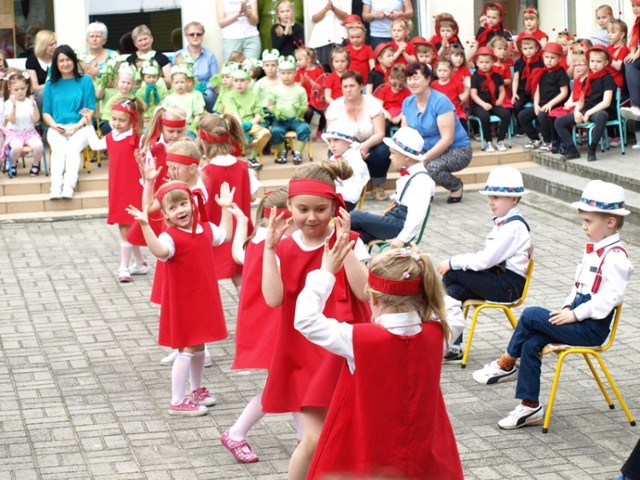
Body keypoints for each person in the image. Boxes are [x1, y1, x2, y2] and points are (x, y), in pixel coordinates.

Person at [472, 180, 633, 430]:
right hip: (578, 318)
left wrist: (575, 315)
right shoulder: (593, 250)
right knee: (533, 341)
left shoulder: (615, 257)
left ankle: (506, 363)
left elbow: (609, 299)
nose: (583, 227)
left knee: (531, 314)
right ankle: (530, 406)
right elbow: (577, 287)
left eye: (588, 221)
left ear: (610, 222)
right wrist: (568, 308)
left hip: (592, 327)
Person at [296, 242, 464, 480]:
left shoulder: (357, 339)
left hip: (368, 454)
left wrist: (325, 272)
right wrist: (423, 276)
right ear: (424, 293)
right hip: (424, 451)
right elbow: (454, 310)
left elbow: (306, 320)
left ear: (373, 300)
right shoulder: (439, 334)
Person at [261, 161, 371, 480]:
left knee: (352, 435)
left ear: (336, 208)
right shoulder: (283, 246)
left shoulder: (350, 240)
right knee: (312, 439)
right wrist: (269, 249)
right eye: (303, 209)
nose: (311, 217)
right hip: (303, 355)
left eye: (321, 209)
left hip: (346, 349)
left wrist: (343, 244)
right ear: (289, 207)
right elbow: (273, 298)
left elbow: (364, 293)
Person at [126, 180, 237, 416]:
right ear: (165, 214)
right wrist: (146, 226)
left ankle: (196, 390)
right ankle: (177, 400)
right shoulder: (170, 237)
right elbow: (160, 252)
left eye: (183, 204)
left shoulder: (205, 228)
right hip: (184, 301)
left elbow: (225, 236)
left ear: (193, 204)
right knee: (186, 348)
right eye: (173, 208)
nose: (181, 211)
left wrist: (226, 208)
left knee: (200, 345)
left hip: (204, 298)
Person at [221, 188, 302, 464]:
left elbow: (237, 255)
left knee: (293, 383)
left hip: (263, 324)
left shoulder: (254, 241)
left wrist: (242, 221)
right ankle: (236, 431)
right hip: (276, 325)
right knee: (283, 383)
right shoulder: (278, 246)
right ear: (285, 222)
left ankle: (304, 442)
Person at [436, 166, 531, 359]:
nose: (490, 202)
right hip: (499, 278)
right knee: (455, 291)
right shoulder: (505, 221)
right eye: (490, 197)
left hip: (508, 285)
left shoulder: (513, 227)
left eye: (496, 197)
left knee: (452, 274)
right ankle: (452, 345)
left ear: (513, 199)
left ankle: (443, 331)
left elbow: (485, 260)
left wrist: (453, 262)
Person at [84, 97, 148, 282]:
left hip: (135, 185)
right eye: (114, 119)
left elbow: (149, 154)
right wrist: (89, 125)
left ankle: (125, 266)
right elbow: (95, 145)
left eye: (122, 120)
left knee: (131, 223)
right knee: (124, 223)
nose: (117, 123)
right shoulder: (111, 137)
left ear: (132, 120)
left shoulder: (138, 138)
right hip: (118, 186)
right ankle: (137, 264)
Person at [200, 113, 258, 291]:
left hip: (215, 232)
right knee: (239, 273)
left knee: (207, 273)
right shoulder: (243, 167)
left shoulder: (205, 171)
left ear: (204, 142)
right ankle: (245, 312)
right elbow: (253, 197)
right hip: (241, 230)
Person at [350, 127, 435, 246]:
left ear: (406, 157)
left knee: (354, 216)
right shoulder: (409, 175)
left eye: (393, 153)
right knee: (351, 236)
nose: (390, 157)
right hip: (392, 221)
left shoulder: (421, 181)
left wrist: (403, 238)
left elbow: (417, 215)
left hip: (399, 226)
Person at [402, 62, 472, 203]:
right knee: (406, 162)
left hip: (457, 149)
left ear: (428, 79)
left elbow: (447, 139)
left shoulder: (441, 101)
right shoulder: (407, 102)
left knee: (431, 167)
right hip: (428, 149)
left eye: (416, 78)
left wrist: (424, 159)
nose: (412, 82)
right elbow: (405, 134)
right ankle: (426, 190)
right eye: (409, 79)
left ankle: (456, 186)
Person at [325, 70, 390, 200]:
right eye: (345, 86)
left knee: (383, 150)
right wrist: (353, 150)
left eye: (352, 86)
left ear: (361, 86)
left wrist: (365, 145)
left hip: (370, 142)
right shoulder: (335, 106)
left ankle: (377, 185)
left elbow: (380, 132)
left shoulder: (372, 103)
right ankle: (346, 187)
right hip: (344, 144)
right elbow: (330, 136)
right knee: (332, 152)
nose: (348, 90)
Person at [42, 45, 96, 200]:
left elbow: (90, 109)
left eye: (68, 59)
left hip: (81, 126)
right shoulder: (50, 84)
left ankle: (68, 186)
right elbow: (46, 112)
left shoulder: (85, 81)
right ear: (56, 64)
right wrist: (54, 126)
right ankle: (55, 187)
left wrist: (77, 126)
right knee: (59, 150)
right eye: (61, 60)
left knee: (72, 148)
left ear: (73, 60)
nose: (65, 63)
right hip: (56, 126)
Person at [555, 45, 616, 161]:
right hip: (586, 109)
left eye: (599, 61)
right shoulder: (589, 78)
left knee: (602, 116)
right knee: (559, 122)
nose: (595, 64)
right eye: (592, 61)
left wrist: (588, 113)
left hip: (600, 110)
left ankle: (592, 149)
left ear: (606, 62)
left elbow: (606, 102)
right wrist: (577, 111)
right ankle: (572, 150)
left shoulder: (607, 78)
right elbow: (582, 98)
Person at [518, 42, 570, 151]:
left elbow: (564, 92)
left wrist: (550, 104)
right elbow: (537, 90)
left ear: (560, 59)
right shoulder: (542, 72)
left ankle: (549, 141)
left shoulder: (561, 73)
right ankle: (535, 138)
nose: (549, 60)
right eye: (546, 57)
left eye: (552, 58)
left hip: (556, 105)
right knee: (523, 115)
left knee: (542, 116)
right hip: (542, 104)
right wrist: (536, 104)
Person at [227, 63, 271, 170]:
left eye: (242, 80)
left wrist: (251, 123)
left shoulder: (253, 96)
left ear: (248, 81)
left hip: (250, 124)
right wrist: (240, 126)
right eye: (236, 81)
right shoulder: (230, 95)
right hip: (234, 125)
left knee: (266, 133)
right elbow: (234, 113)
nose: (239, 84)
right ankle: (232, 163)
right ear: (232, 81)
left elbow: (258, 116)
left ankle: (251, 158)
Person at [268, 55, 310, 165]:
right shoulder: (275, 89)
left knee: (305, 128)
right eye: (283, 73)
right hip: (281, 118)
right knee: (275, 131)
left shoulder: (300, 89)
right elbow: (270, 105)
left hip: (296, 118)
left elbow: (305, 105)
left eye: (289, 73)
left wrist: (302, 110)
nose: (286, 76)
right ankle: (282, 151)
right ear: (279, 73)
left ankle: (298, 152)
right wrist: (275, 111)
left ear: (295, 73)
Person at [469, 46, 511, 153]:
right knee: (484, 116)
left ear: (493, 61)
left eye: (487, 62)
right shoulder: (475, 77)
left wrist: (500, 100)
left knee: (506, 114)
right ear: (477, 63)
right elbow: (473, 94)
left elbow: (502, 90)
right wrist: (483, 104)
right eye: (481, 62)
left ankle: (500, 140)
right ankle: (488, 141)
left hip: (493, 103)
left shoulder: (497, 76)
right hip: (479, 105)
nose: (484, 65)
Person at [2, 70, 43, 176]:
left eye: (22, 89)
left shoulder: (30, 102)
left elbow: (36, 119)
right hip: (14, 133)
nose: (20, 92)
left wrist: (34, 105)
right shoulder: (8, 103)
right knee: (17, 147)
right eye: (16, 90)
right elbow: (12, 120)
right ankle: (13, 164)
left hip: (29, 132)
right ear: (10, 89)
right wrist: (14, 106)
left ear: (27, 87)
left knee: (38, 145)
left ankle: (35, 165)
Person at [321, 121, 370, 210]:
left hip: (345, 201)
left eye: (336, 140)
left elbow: (353, 196)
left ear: (348, 141)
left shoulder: (356, 161)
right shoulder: (333, 158)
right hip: (332, 197)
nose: (332, 145)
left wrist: (331, 193)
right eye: (329, 141)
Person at [175, 21, 220, 112]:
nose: (195, 36)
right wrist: (189, 88)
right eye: (191, 34)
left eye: (198, 34)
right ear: (186, 37)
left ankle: (209, 120)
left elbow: (215, 80)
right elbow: (175, 76)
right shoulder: (179, 55)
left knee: (209, 95)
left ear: (202, 36)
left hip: (205, 90)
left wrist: (203, 88)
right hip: (184, 88)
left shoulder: (210, 56)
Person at [512, 34, 544, 134]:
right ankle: (521, 127)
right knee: (517, 105)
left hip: (537, 90)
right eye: (525, 49)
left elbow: (543, 79)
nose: (528, 51)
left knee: (539, 104)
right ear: (521, 49)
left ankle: (539, 126)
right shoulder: (519, 62)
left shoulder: (541, 62)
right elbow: (516, 78)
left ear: (536, 48)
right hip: (522, 91)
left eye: (531, 48)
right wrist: (514, 93)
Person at [294, 46, 327, 140]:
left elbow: (320, 87)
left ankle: (320, 131)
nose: (297, 62)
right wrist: (300, 83)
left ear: (308, 59)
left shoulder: (318, 70)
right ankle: (305, 130)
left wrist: (309, 81)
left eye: (299, 59)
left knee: (325, 113)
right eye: (297, 60)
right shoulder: (299, 72)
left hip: (317, 100)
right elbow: (296, 87)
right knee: (308, 112)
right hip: (306, 100)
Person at [308, 0, 351, 71]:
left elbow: (347, 16)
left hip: (340, 38)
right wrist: (326, 9)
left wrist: (333, 9)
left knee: (341, 68)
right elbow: (314, 19)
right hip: (321, 39)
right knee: (323, 71)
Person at [163, 65, 205, 135]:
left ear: (186, 82)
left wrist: (193, 126)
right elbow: (164, 114)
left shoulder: (192, 97)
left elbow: (198, 114)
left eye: (182, 82)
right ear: (172, 83)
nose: (180, 85)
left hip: (188, 128)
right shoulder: (169, 98)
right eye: (177, 82)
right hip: (173, 128)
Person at [431, 58, 468, 133]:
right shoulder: (433, 85)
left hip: (455, 111)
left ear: (451, 71)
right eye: (439, 70)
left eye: (445, 71)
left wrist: (467, 88)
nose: (442, 73)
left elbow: (462, 99)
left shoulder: (457, 83)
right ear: (436, 71)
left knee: (462, 123)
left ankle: (463, 142)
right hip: (438, 112)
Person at [373, 64, 410, 135]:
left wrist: (399, 117)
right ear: (390, 79)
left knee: (406, 125)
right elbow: (379, 105)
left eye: (401, 85)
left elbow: (407, 107)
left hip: (400, 114)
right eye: (395, 84)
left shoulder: (406, 92)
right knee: (384, 125)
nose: (397, 87)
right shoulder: (386, 89)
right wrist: (386, 113)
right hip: (387, 113)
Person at [98, 64, 135, 135]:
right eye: (123, 82)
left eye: (128, 83)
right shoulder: (113, 99)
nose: (125, 85)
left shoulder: (133, 98)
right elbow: (107, 117)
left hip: (128, 123)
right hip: (112, 122)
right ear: (117, 82)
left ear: (132, 85)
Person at [25, 29, 56, 112]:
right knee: (43, 93)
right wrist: (50, 84)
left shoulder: (58, 59)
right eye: (51, 44)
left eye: (55, 43)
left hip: (58, 91)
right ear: (43, 46)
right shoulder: (32, 61)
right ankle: (42, 122)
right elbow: (35, 88)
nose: (55, 46)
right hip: (41, 95)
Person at [621, 0, 640, 123]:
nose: (635, 9)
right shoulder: (636, 24)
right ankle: (635, 103)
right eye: (633, 6)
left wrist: (636, 54)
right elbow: (634, 41)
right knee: (627, 63)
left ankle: (635, 103)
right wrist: (631, 54)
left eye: (638, 6)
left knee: (630, 63)